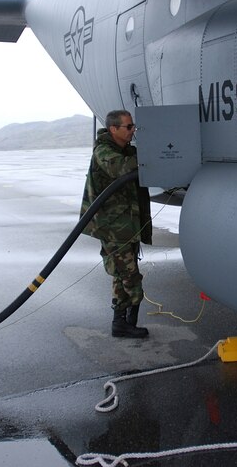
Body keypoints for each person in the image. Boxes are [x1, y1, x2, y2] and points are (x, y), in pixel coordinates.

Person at [80, 110, 152, 338]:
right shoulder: (104, 151)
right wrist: (153, 155)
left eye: (133, 127)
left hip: (127, 225)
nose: (133, 131)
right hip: (112, 227)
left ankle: (121, 323)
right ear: (113, 129)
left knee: (122, 275)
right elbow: (120, 168)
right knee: (130, 275)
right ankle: (127, 321)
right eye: (128, 127)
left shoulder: (128, 151)